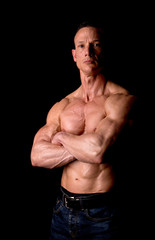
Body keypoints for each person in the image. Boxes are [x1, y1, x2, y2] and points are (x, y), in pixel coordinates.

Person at [31, 21, 137, 239]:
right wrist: (84, 146)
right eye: (81, 46)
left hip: (103, 215)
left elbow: (98, 151)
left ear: (103, 50)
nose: (88, 51)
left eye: (95, 44)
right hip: (62, 212)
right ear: (74, 55)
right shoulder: (63, 105)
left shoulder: (121, 100)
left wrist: (61, 136)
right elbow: (37, 156)